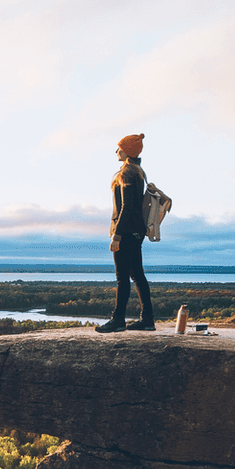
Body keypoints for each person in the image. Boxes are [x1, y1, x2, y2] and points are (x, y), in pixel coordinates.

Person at [95, 132, 156, 332]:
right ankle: (147, 320)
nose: (116, 151)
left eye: (119, 148)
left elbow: (126, 207)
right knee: (138, 275)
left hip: (126, 232)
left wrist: (117, 235)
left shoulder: (126, 174)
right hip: (136, 232)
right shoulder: (138, 171)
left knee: (123, 278)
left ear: (127, 151)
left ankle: (118, 320)